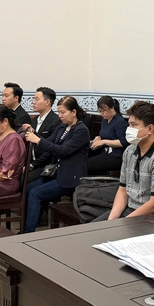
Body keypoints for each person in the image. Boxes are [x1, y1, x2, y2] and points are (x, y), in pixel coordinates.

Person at [93, 101, 154, 221]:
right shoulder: (130, 151)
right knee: (93, 229)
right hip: (131, 209)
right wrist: (111, 221)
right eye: (129, 124)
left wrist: (121, 224)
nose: (129, 129)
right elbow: (122, 191)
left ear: (150, 129)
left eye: (134, 125)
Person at [22, 96, 90, 233]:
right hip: (56, 172)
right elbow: (49, 142)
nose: (60, 115)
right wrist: (35, 134)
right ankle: (30, 224)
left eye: (63, 112)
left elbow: (64, 150)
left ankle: (28, 232)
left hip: (70, 177)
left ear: (74, 112)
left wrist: (38, 141)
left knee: (35, 193)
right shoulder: (62, 127)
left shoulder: (81, 130)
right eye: (58, 112)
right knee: (28, 188)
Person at [22, 87, 62, 181]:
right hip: (32, 161)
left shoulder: (56, 121)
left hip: (45, 164)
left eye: (37, 99)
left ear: (47, 102)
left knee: (25, 180)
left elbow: (50, 149)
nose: (33, 102)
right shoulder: (35, 120)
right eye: (34, 99)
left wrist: (32, 165)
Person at [87, 96, 128, 175]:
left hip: (116, 155)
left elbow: (123, 142)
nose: (101, 114)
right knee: (82, 157)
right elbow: (106, 134)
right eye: (100, 111)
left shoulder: (120, 122)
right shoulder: (105, 120)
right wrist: (99, 138)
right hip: (104, 151)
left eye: (104, 111)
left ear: (112, 108)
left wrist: (104, 141)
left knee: (88, 164)